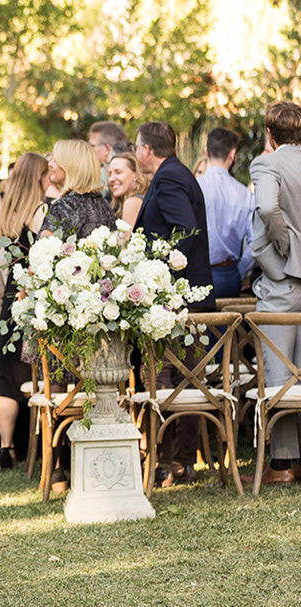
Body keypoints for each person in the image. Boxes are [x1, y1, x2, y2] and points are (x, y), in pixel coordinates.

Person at [134, 121, 215, 486]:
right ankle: (176, 461)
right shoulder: (174, 174)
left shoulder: (168, 180)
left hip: (180, 302)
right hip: (182, 300)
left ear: (146, 150)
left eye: (137, 148)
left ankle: (174, 461)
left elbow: (185, 232)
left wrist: (158, 277)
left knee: (173, 378)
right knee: (181, 378)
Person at [244, 100, 301, 486]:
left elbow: (266, 205)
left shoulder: (268, 163)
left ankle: (282, 465)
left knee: (280, 372)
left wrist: (284, 245)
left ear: (269, 133)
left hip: (283, 282)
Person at [0, 153, 50, 470]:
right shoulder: (40, 211)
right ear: (40, 177)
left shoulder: (1, 212)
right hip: (34, 296)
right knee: (35, 372)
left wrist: (3, 290)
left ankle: (7, 446)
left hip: (12, 293)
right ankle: (40, 443)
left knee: (7, 376)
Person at [197, 128, 255, 299]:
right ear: (232, 154)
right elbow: (255, 242)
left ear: (206, 151)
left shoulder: (193, 188)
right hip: (229, 273)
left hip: (197, 272)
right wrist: (239, 270)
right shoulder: (244, 194)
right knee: (228, 325)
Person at [41, 140, 115, 239]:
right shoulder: (104, 206)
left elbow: (44, 249)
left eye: (56, 160)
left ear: (70, 166)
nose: (50, 164)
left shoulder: (64, 207)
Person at [107, 151, 149, 226]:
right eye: (109, 174)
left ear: (136, 175)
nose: (111, 179)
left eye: (118, 172)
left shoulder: (132, 202)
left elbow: (126, 237)